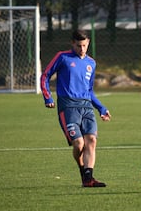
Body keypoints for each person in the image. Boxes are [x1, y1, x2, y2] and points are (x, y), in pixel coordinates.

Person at [40, 29, 111, 187]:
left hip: (86, 106)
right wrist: (48, 97)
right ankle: (83, 170)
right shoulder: (62, 57)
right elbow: (45, 75)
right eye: (79, 46)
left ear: (88, 43)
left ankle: (88, 179)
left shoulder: (91, 63)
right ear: (72, 43)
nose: (82, 49)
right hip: (68, 106)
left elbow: (89, 90)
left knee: (91, 140)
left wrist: (101, 108)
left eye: (84, 45)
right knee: (79, 144)